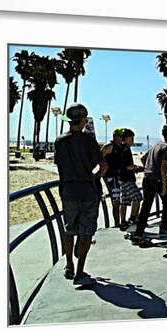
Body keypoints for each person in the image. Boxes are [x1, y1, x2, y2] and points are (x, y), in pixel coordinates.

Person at [54, 103, 108, 286]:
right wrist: (93, 176)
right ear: (84, 120)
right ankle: (79, 272)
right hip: (87, 192)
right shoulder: (88, 141)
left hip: (67, 191)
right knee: (85, 234)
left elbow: (59, 164)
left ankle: (68, 264)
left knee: (69, 230)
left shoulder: (60, 141)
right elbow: (103, 166)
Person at [131, 124, 167, 245]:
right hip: (158, 179)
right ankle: (163, 228)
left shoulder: (156, 145)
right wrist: (164, 186)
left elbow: (143, 158)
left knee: (146, 206)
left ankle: (139, 232)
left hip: (147, 178)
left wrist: (149, 168)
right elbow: (164, 168)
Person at [118, 128, 143, 231]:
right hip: (127, 179)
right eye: (131, 138)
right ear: (126, 138)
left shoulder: (121, 148)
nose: (132, 140)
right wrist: (136, 167)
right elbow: (127, 166)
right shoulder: (126, 150)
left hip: (121, 178)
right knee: (137, 197)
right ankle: (132, 219)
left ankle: (122, 222)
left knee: (124, 201)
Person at [101, 128, 125, 227]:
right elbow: (99, 157)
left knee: (119, 200)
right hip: (111, 176)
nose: (121, 138)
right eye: (120, 136)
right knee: (116, 200)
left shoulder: (122, 147)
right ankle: (117, 223)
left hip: (119, 176)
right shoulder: (109, 146)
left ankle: (119, 222)